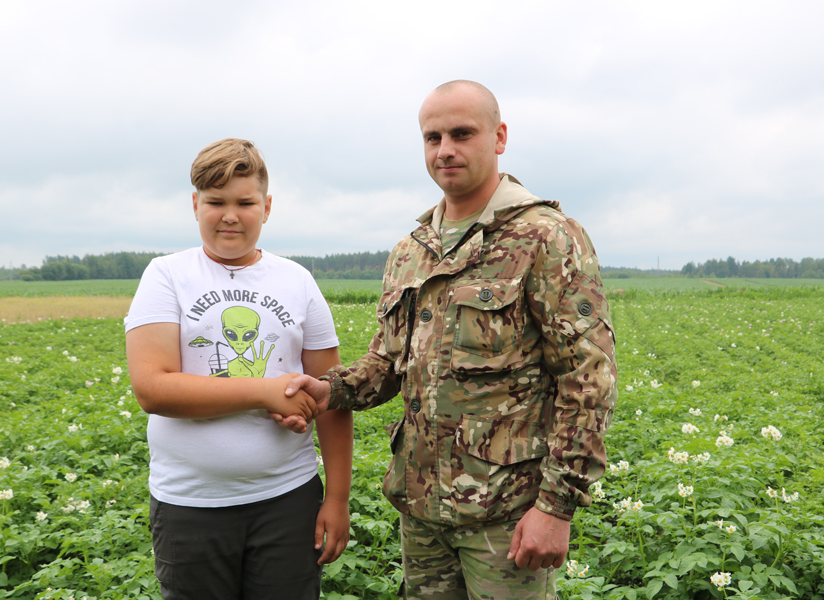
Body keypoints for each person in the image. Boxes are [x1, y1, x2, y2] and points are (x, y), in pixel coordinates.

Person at [282, 81, 617, 599]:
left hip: (507, 514)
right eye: (432, 137)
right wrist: (330, 390)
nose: (445, 150)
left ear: (499, 136)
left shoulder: (546, 237)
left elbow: (587, 380)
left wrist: (556, 507)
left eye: (462, 134)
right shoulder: (411, 250)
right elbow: (389, 363)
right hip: (422, 511)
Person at [124, 138, 353, 600]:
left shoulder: (297, 281)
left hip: (288, 500)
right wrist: (265, 393)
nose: (230, 214)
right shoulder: (166, 276)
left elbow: (332, 396)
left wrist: (338, 498)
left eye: (245, 202)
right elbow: (153, 389)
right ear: (195, 205)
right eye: (216, 201)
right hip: (190, 503)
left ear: (266, 207)